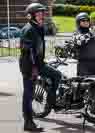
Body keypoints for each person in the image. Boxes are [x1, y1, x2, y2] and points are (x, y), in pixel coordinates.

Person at [19, 3, 62, 131]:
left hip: (38, 63)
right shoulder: (28, 30)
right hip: (29, 66)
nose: (42, 15)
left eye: (42, 13)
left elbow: (38, 49)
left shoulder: (38, 27)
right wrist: (33, 68)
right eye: (38, 13)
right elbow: (28, 51)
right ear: (31, 15)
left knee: (57, 75)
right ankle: (28, 122)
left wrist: (41, 62)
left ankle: (51, 101)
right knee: (28, 94)